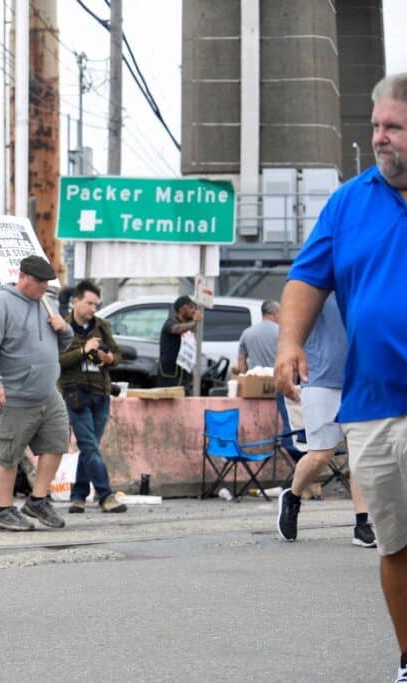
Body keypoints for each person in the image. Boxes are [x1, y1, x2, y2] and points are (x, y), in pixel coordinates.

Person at [274, 73, 407, 683]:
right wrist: (289, 342)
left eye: (394, 128)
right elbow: (307, 277)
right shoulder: (349, 202)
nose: (379, 138)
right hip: (373, 403)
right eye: (376, 125)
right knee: (395, 545)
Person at [0, 254, 72, 532]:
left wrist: (64, 329)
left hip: (47, 392)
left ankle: (38, 500)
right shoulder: (0, 302)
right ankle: (4, 510)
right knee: (9, 453)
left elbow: (62, 345)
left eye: (47, 282)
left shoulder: (47, 302)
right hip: (14, 394)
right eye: (40, 281)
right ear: (22, 277)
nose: (45, 286)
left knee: (57, 442)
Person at [276, 293, 374, 547]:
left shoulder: (361, 286)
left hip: (359, 380)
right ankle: (292, 497)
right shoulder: (316, 287)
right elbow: (292, 323)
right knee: (321, 455)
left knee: (359, 454)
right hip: (321, 379)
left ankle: (362, 523)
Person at [58, 280, 127, 514]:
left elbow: (117, 354)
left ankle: (78, 494)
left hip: (101, 392)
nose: (93, 309)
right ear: (75, 301)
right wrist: (83, 351)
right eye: (89, 303)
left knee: (91, 447)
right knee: (88, 444)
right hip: (76, 394)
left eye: (96, 304)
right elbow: (57, 360)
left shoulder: (102, 326)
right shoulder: (63, 327)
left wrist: (109, 359)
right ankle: (105, 495)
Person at [158, 294, 201, 394]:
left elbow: (188, 351)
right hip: (170, 375)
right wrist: (194, 322)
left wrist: (192, 373)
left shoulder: (188, 326)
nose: (194, 310)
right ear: (182, 309)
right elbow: (176, 329)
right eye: (191, 307)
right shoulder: (170, 323)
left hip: (184, 374)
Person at [233, 299, 280, 375]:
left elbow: (241, 360)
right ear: (275, 313)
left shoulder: (247, 333)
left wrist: (244, 375)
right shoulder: (281, 332)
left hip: (255, 378)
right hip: (276, 378)